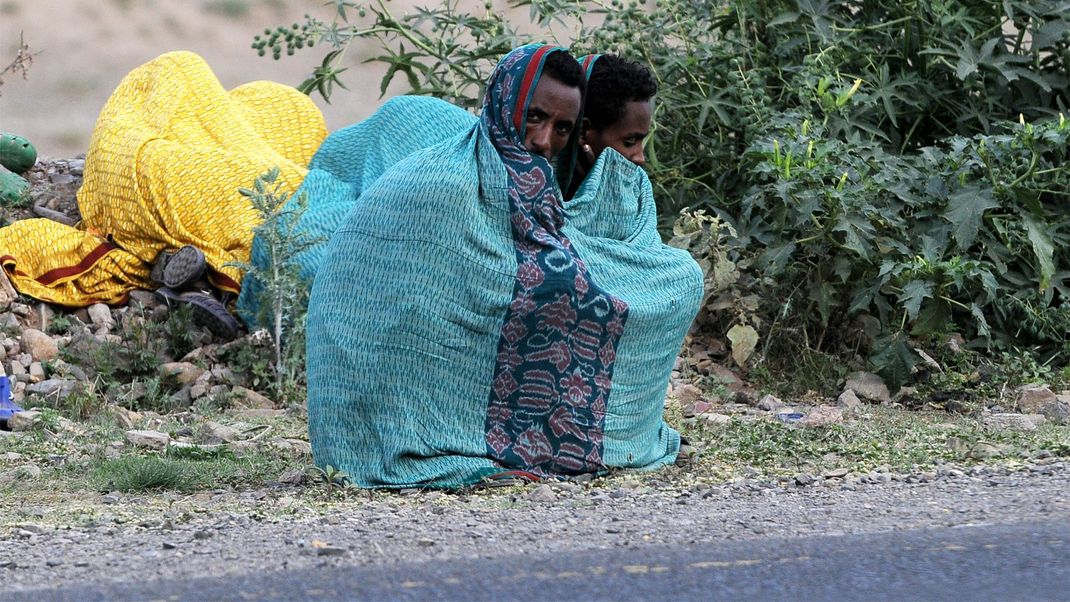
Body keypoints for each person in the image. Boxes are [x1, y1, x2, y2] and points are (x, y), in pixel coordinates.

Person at [304, 44, 703, 488]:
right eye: (535, 116)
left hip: (438, 391)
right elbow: (410, 315)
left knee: (670, 280)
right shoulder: (445, 183)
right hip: (376, 408)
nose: (543, 140)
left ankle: (581, 439)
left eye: (562, 128)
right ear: (502, 102)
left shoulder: (536, 190)